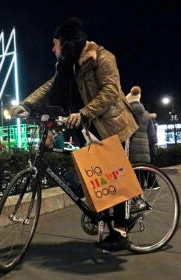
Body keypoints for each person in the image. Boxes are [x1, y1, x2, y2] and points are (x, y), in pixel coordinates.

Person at [10, 17, 138, 251]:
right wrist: (26, 104)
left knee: (116, 179)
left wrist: (85, 112)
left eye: (56, 43)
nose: (53, 48)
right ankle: (102, 217)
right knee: (95, 176)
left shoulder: (102, 57)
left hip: (111, 126)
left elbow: (111, 90)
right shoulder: (69, 66)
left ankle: (121, 231)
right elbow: (51, 85)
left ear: (67, 43)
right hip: (87, 130)